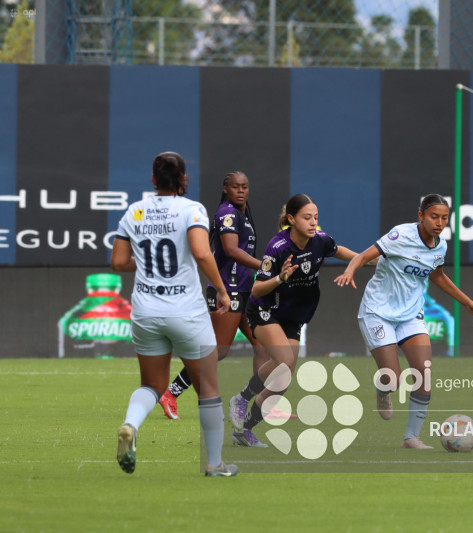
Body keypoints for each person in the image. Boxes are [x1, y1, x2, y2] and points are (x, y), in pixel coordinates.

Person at [111, 151, 237, 477]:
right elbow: (200, 252)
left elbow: (119, 263)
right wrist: (222, 289)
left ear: (153, 180)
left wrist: (150, 266)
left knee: (152, 384)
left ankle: (130, 424)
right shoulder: (191, 209)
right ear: (184, 179)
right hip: (187, 312)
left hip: (146, 310)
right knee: (208, 387)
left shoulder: (134, 211)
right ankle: (215, 464)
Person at [335, 194, 473, 449]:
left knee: (423, 375)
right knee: (393, 379)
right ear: (420, 216)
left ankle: (411, 438)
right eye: (433, 217)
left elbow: (438, 276)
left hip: (410, 315)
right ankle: (384, 389)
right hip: (378, 312)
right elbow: (363, 256)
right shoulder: (400, 236)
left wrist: (467, 302)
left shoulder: (440, 245)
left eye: (444, 218)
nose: (439, 222)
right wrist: (350, 270)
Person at [231, 193, 361, 446]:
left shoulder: (320, 241)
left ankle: (244, 431)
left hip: (293, 314)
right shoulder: (277, 248)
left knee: (283, 380)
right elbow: (257, 290)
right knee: (284, 361)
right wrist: (280, 278)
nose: (313, 222)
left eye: (316, 217)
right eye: (307, 217)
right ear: (291, 219)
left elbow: (340, 250)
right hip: (265, 309)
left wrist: (366, 259)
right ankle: (242, 397)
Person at [158, 171, 267, 421]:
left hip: (244, 289)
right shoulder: (227, 213)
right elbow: (229, 250)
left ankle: (259, 402)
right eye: (235, 187)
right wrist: (264, 266)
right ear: (225, 188)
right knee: (218, 350)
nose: (241, 190)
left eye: (245, 186)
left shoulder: (241, 214)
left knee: (262, 346)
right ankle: (171, 393)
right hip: (227, 289)